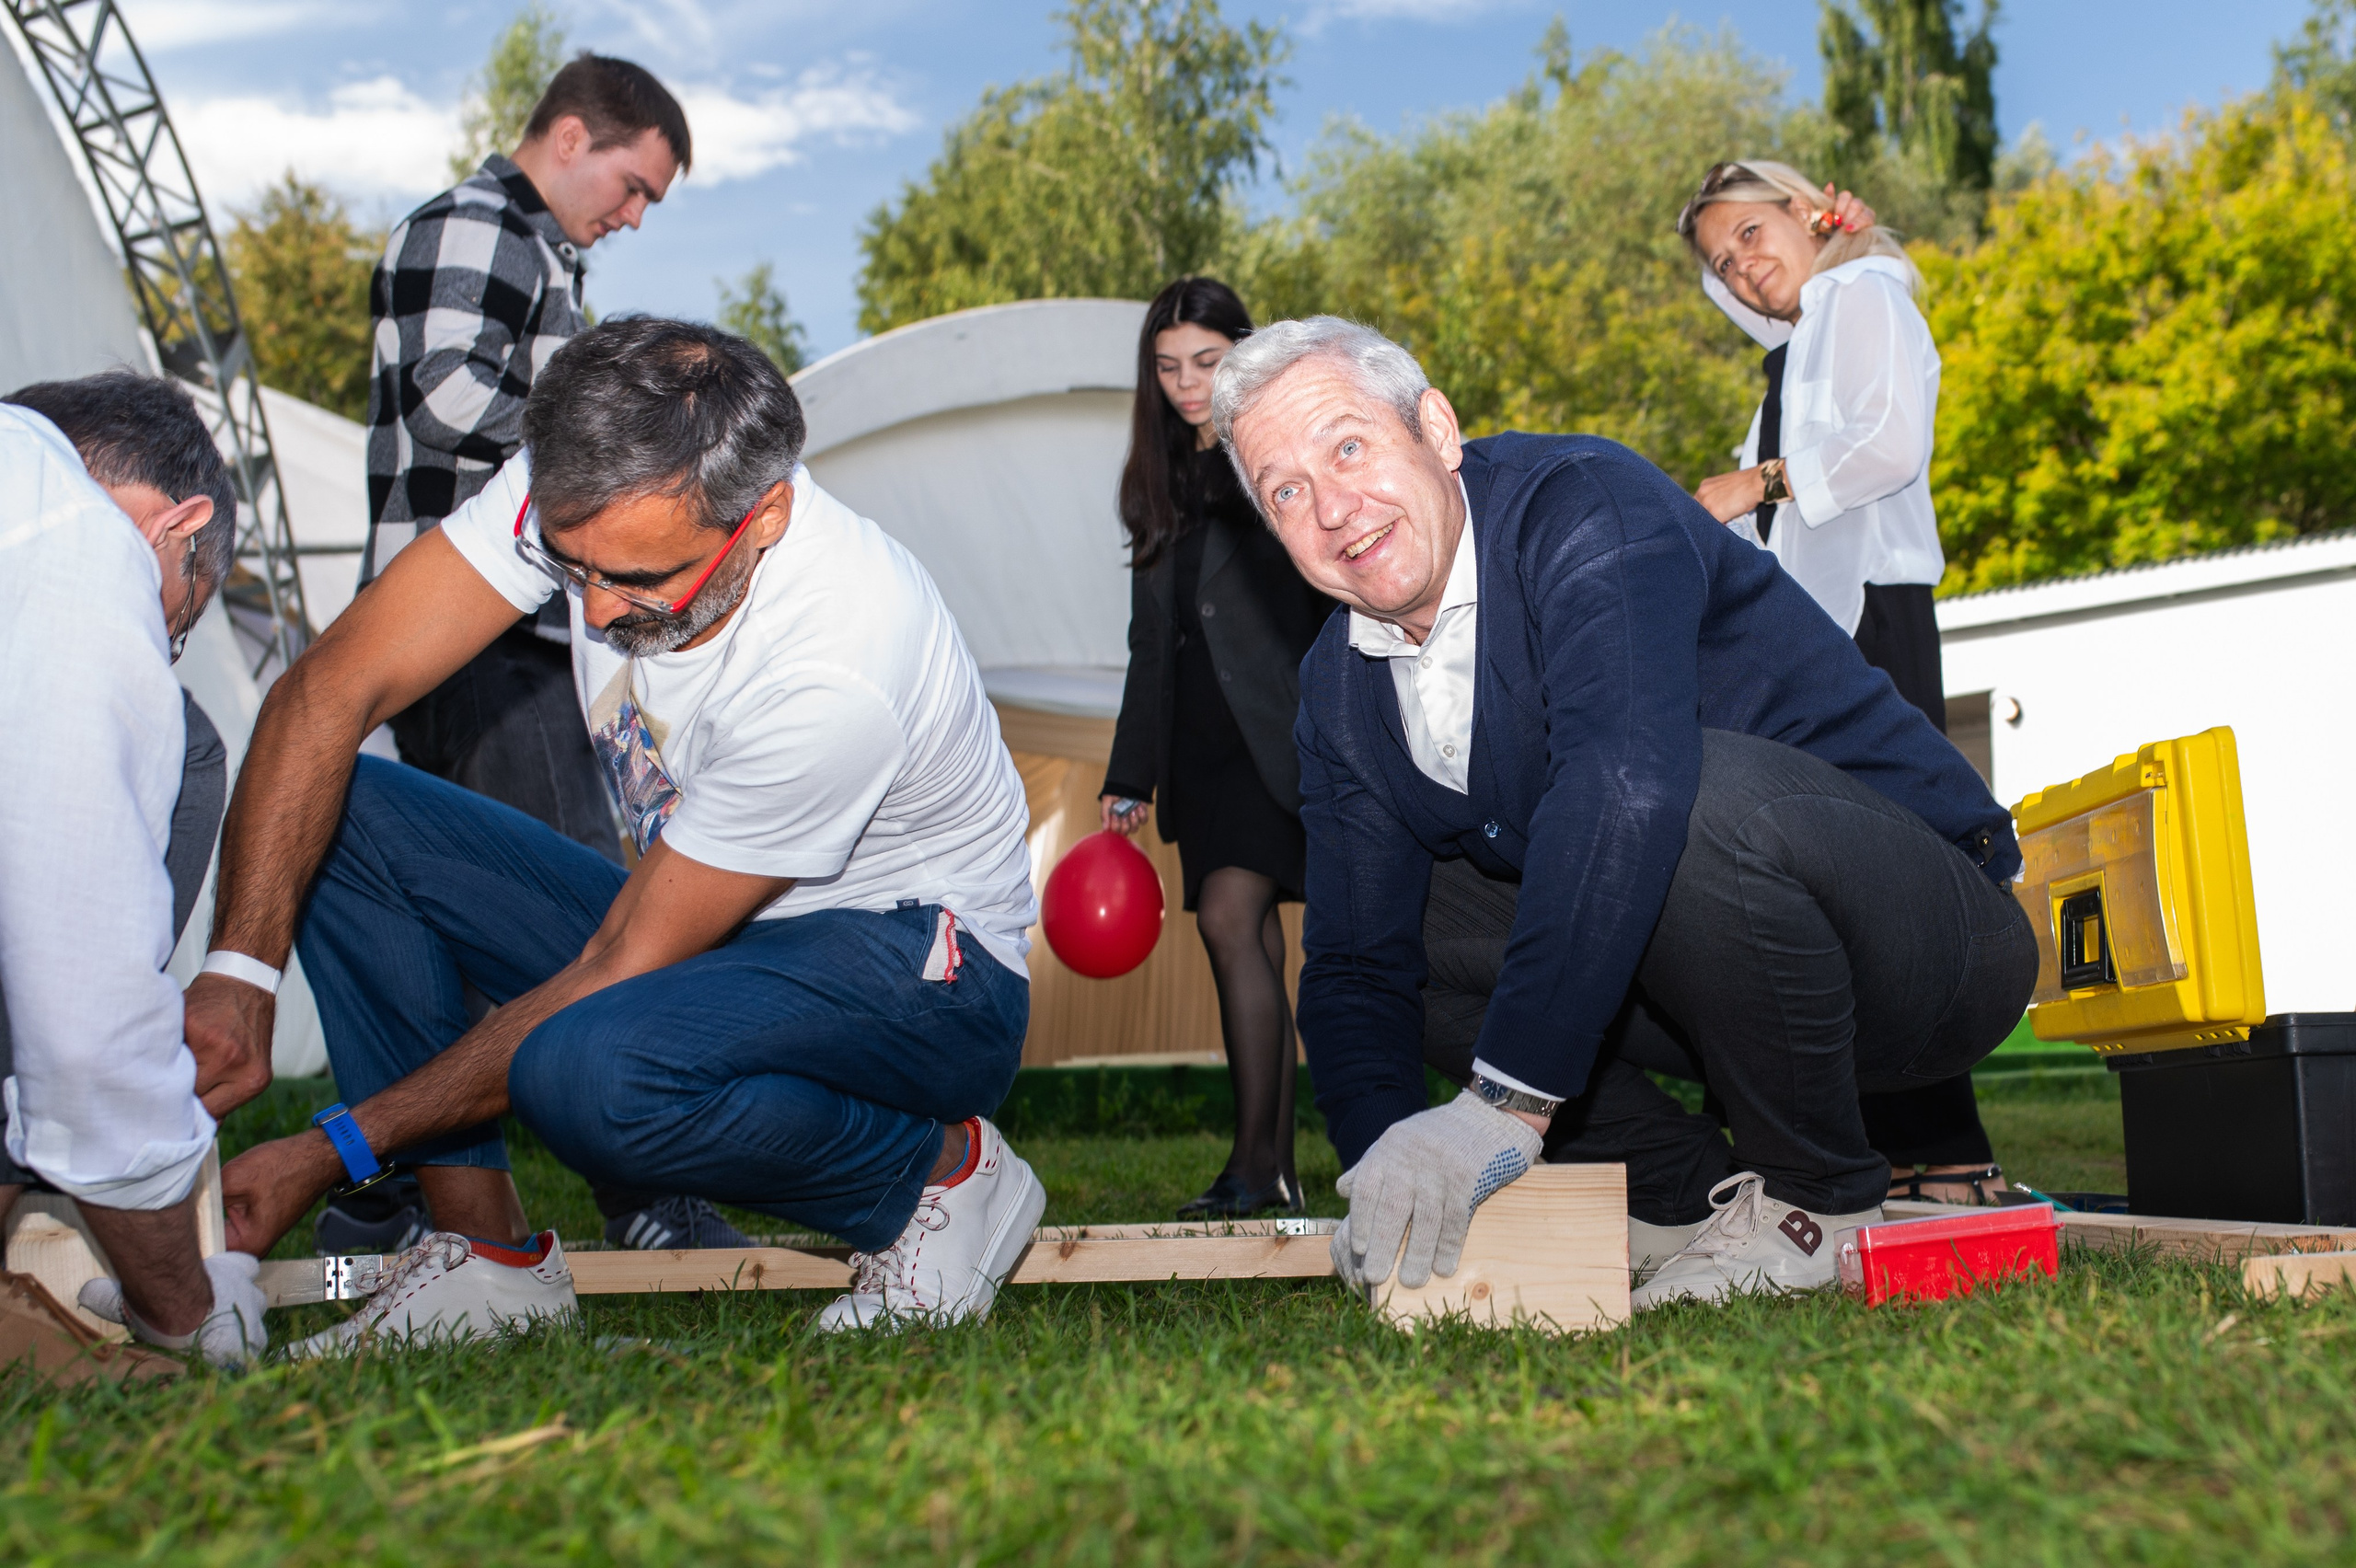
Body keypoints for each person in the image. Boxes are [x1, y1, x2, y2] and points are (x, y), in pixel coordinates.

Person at [202, 317, 1045, 1351]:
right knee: (352, 812)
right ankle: (489, 1269)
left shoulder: (837, 659)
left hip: (925, 977)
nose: (596, 613)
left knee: (590, 1074)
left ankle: (941, 1178)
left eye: (643, 582)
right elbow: (332, 686)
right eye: (573, 567)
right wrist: (240, 969)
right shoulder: (593, 490)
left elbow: (615, 964)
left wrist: (334, 1147)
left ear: (766, 516)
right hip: (721, 931)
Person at [1211, 317, 2037, 1308]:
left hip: (1928, 948)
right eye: (1286, 492)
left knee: (1680, 799)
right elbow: (1355, 966)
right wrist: (1385, 1169)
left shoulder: (1585, 508)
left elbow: (1625, 784)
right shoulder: (1338, 690)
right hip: (1702, 995)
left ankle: (1816, 1200)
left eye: (1348, 447)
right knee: (1413, 917)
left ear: (1434, 429)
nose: (1334, 508)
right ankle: (1681, 1199)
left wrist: (1503, 1105)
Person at [357, 53, 730, 1251]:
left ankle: (391, 1207)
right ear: (569, 137)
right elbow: (446, 400)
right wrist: (621, 445)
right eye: (631, 187)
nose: (630, 217)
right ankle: (651, 1197)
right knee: (577, 917)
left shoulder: (545, 258)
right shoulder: (475, 224)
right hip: (475, 637)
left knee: (453, 931)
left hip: (505, 636)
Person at [1679, 160, 2006, 1210]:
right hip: (1816, 635)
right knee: (1833, 883)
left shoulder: (1863, 297)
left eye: (1751, 234)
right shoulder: (1791, 350)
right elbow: (1751, 293)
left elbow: (1889, 446)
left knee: (1902, 871)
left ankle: (1948, 1148)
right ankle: (1879, 1145)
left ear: (1803, 210)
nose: (1740, 265)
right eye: (1722, 259)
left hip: (1875, 615)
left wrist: (1752, 484)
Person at [0, 372, 268, 1367]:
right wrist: (184, 1310)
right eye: (180, 620)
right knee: (191, 747)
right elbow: (82, 1023)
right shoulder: (73, 538)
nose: (161, 647)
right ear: (180, 526)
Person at [1101, 279, 1333, 1218]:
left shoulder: (1274, 447)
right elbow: (1150, 640)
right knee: (1242, 938)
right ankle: (1267, 1167)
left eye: (1204, 361)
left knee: (1235, 924)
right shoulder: (1152, 481)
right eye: (1166, 368)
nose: (1186, 384)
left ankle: (1257, 1165)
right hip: (1198, 742)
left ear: (1240, 352)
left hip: (1280, 732)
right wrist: (1130, 772)